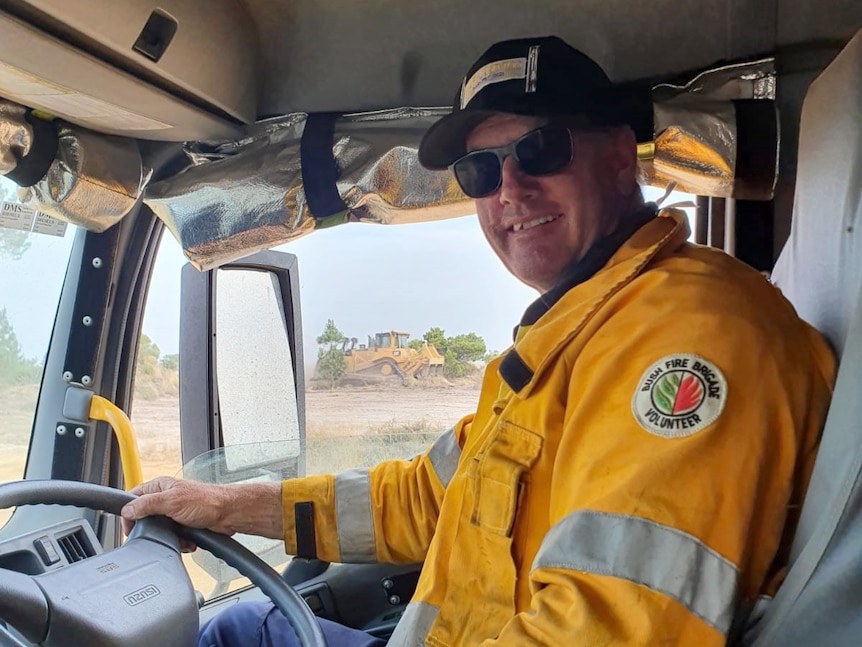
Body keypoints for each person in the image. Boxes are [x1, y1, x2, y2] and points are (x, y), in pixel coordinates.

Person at [122, 36, 836, 646]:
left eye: (541, 148)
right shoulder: (576, 335)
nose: (509, 189)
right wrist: (224, 506)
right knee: (240, 629)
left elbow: (610, 625)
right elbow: (425, 499)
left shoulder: (691, 337)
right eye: (480, 170)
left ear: (621, 158)